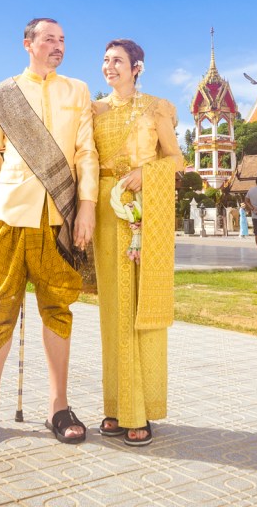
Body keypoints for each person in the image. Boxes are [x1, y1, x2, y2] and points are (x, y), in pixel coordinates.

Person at [0, 18, 99, 449]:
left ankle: (59, 406)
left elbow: (85, 152)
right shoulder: (5, 94)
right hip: (11, 218)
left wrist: (88, 207)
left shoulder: (76, 90)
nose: (58, 46)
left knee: (58, 308)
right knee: (1, 307)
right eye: (50, 39)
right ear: (28, 44)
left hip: (60, 216)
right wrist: (10, 186)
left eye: (63, 39)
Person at [92, 39, 182, 448]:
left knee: (139, 308)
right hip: (105, 212)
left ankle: (140, 409)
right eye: (106, 60)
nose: (110, 67)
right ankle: (115, 404)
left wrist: (148, 174)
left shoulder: (156, 108)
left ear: (137, 67)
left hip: (143, 213)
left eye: (118, 61)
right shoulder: (93, 111)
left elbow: (177, 158)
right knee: (112, 310)